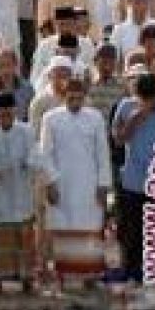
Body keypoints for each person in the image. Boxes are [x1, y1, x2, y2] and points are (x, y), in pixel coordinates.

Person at [0, 92, 55, 294]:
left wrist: (30, 163)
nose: (5, 114)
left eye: (9, 111)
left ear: (14, 111)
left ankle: (26, 279)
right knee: (0, 239)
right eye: (2, 111)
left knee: (24, 237)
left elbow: (34, 152)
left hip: (21, 189)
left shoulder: (26, 131)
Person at [40, 78, 112, 287]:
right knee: (63, 227)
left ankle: (89, 276)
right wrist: (50, 183)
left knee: (90, 226)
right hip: (62, 184)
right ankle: (63, 275)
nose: (75, 102)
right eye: (71, 98)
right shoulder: (51, 118)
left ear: (85, 97)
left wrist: (103, 184)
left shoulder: (95, 117)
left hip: (89, 184)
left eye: (79, 98)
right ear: (64, 97)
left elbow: (102, 152)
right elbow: (45, 154)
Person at [112, 72, 155, 283]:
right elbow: (118, 140)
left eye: (152, 98)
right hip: (133, 179)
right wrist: (135, 119)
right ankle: (132, 270)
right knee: (131, 230)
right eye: (144, 98)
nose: (149, 102)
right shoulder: (126, 107)